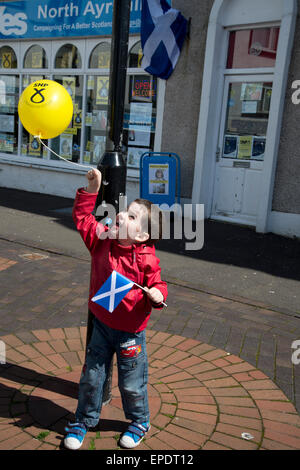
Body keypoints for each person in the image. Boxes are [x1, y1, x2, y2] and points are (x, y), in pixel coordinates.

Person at [64, 168, 168, 450]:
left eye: (131, 216)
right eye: (125, 211)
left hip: (131, 334)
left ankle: (139, 422)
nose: (121, 215)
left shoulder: (146, 259)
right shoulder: (102, 241)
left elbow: (158, 284)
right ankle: (83, 420)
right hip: (101, 325)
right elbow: (83, 218)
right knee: (92, 376)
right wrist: (92, 189)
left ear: (143, 234)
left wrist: (157, 294)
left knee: (132, 384)